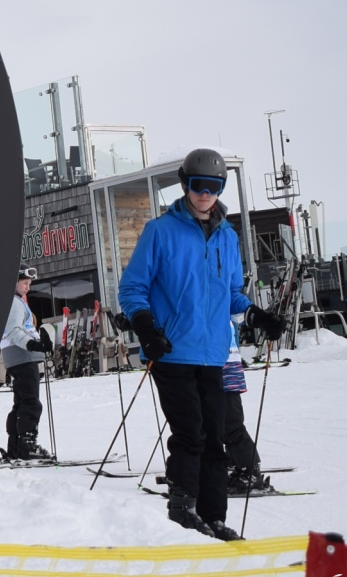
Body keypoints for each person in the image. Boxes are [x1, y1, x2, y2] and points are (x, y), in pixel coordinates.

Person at [118, 148, 284, 541]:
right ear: (185, 184)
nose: (205, 194)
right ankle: (183, 509)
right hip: (171, 350)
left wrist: (256, 315)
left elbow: (231, 294)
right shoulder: (160, 231)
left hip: (213, 354)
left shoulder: (228, 236)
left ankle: (214, 517)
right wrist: (146, 327)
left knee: (214, 437)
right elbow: (132, 288)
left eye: (214, 187)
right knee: (190, 433)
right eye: (198, 186)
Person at [0, 268, 53, 461]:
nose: (28, 288)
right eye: (24, 283)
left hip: (15, 356)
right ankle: (27, 446)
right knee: (30, 402)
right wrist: (33, 344)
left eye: (29, 284)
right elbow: (14, 330)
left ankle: (15, 447)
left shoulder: (11, 301)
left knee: (21, 402)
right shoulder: (14, 302)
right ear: (13, 283)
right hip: (23, 356)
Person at [221, 322, 269, 495]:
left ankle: (251, 472)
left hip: (224, 370)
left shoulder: (219, 313)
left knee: (232, 425)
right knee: (221, 426)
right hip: (218, 368)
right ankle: (236, 464)